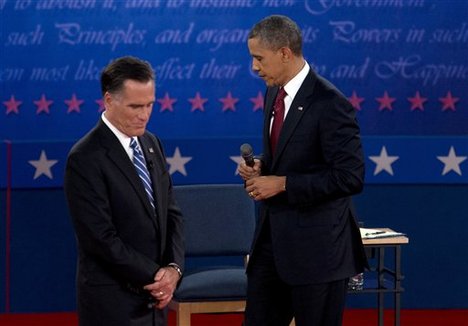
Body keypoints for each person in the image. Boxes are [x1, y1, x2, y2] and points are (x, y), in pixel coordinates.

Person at [238, 15, 368, 326]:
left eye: (259, 58)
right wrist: (261, 168)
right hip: (271, 245)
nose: (254, 67)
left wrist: (282, 184)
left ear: (284, 53)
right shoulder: (274, 92)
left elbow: (349, 177)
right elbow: (291, 156)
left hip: (318, 254)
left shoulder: (330, 103)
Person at [64, 56, 184, 326]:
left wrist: (174, 269)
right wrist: (157, 276)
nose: (144, 114)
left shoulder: (151, 143)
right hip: (113, 302)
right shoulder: (85, 157)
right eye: (135, 106)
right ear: (109, 100)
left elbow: (171, 213)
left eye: (150, 105)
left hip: (155, 301)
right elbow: (100, 239)